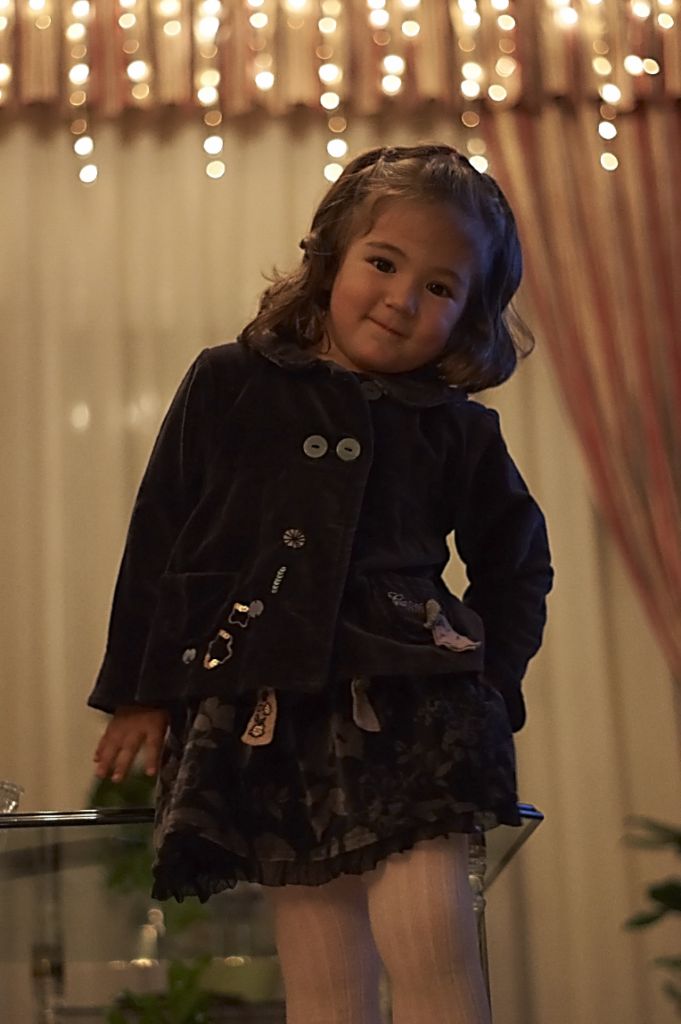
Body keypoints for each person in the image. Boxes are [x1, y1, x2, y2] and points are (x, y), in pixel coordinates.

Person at [89, 143, 553, 1024]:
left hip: (414, 710)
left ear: (470, 315)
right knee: (324, 976)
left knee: (432, 940)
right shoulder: (228, 381)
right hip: (268, 714)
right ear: (331, 255)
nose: (401, 298)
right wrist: (138, 693)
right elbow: (160, 537)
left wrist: (493, 685)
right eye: (383, 263)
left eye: (440, 287)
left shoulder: (457, 430)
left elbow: (517, 564)